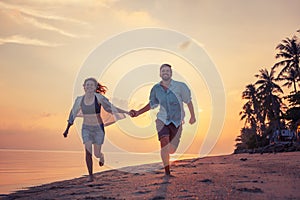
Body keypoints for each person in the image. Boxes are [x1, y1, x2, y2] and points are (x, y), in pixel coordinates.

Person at [129, 64, 196, 176]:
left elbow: (188, 101)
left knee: (171, 150)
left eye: (167, 71)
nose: (165, 72)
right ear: (160, 74)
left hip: (177, 122)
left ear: (171, 73)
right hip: (162, 120)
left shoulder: (180, 86)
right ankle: (167, 172)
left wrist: (193, 116)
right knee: (164, 142)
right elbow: (152, 104)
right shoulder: (156, 89)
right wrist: (137, 113)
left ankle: (169, 157)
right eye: (163, 71)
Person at [63, 77, 129, 182]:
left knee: (96, 153)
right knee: (88, 151)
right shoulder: (79, 99)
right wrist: (67, 129)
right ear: (84, 87)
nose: (89, 86)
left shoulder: (99, 98)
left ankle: (101, 156)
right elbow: (73, 114)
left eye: (91, 85)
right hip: (86, 128)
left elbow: (110, 108)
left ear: (95, 87)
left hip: (98, 128)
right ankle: (90, 176)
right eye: (87, 85)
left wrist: (127, 112)